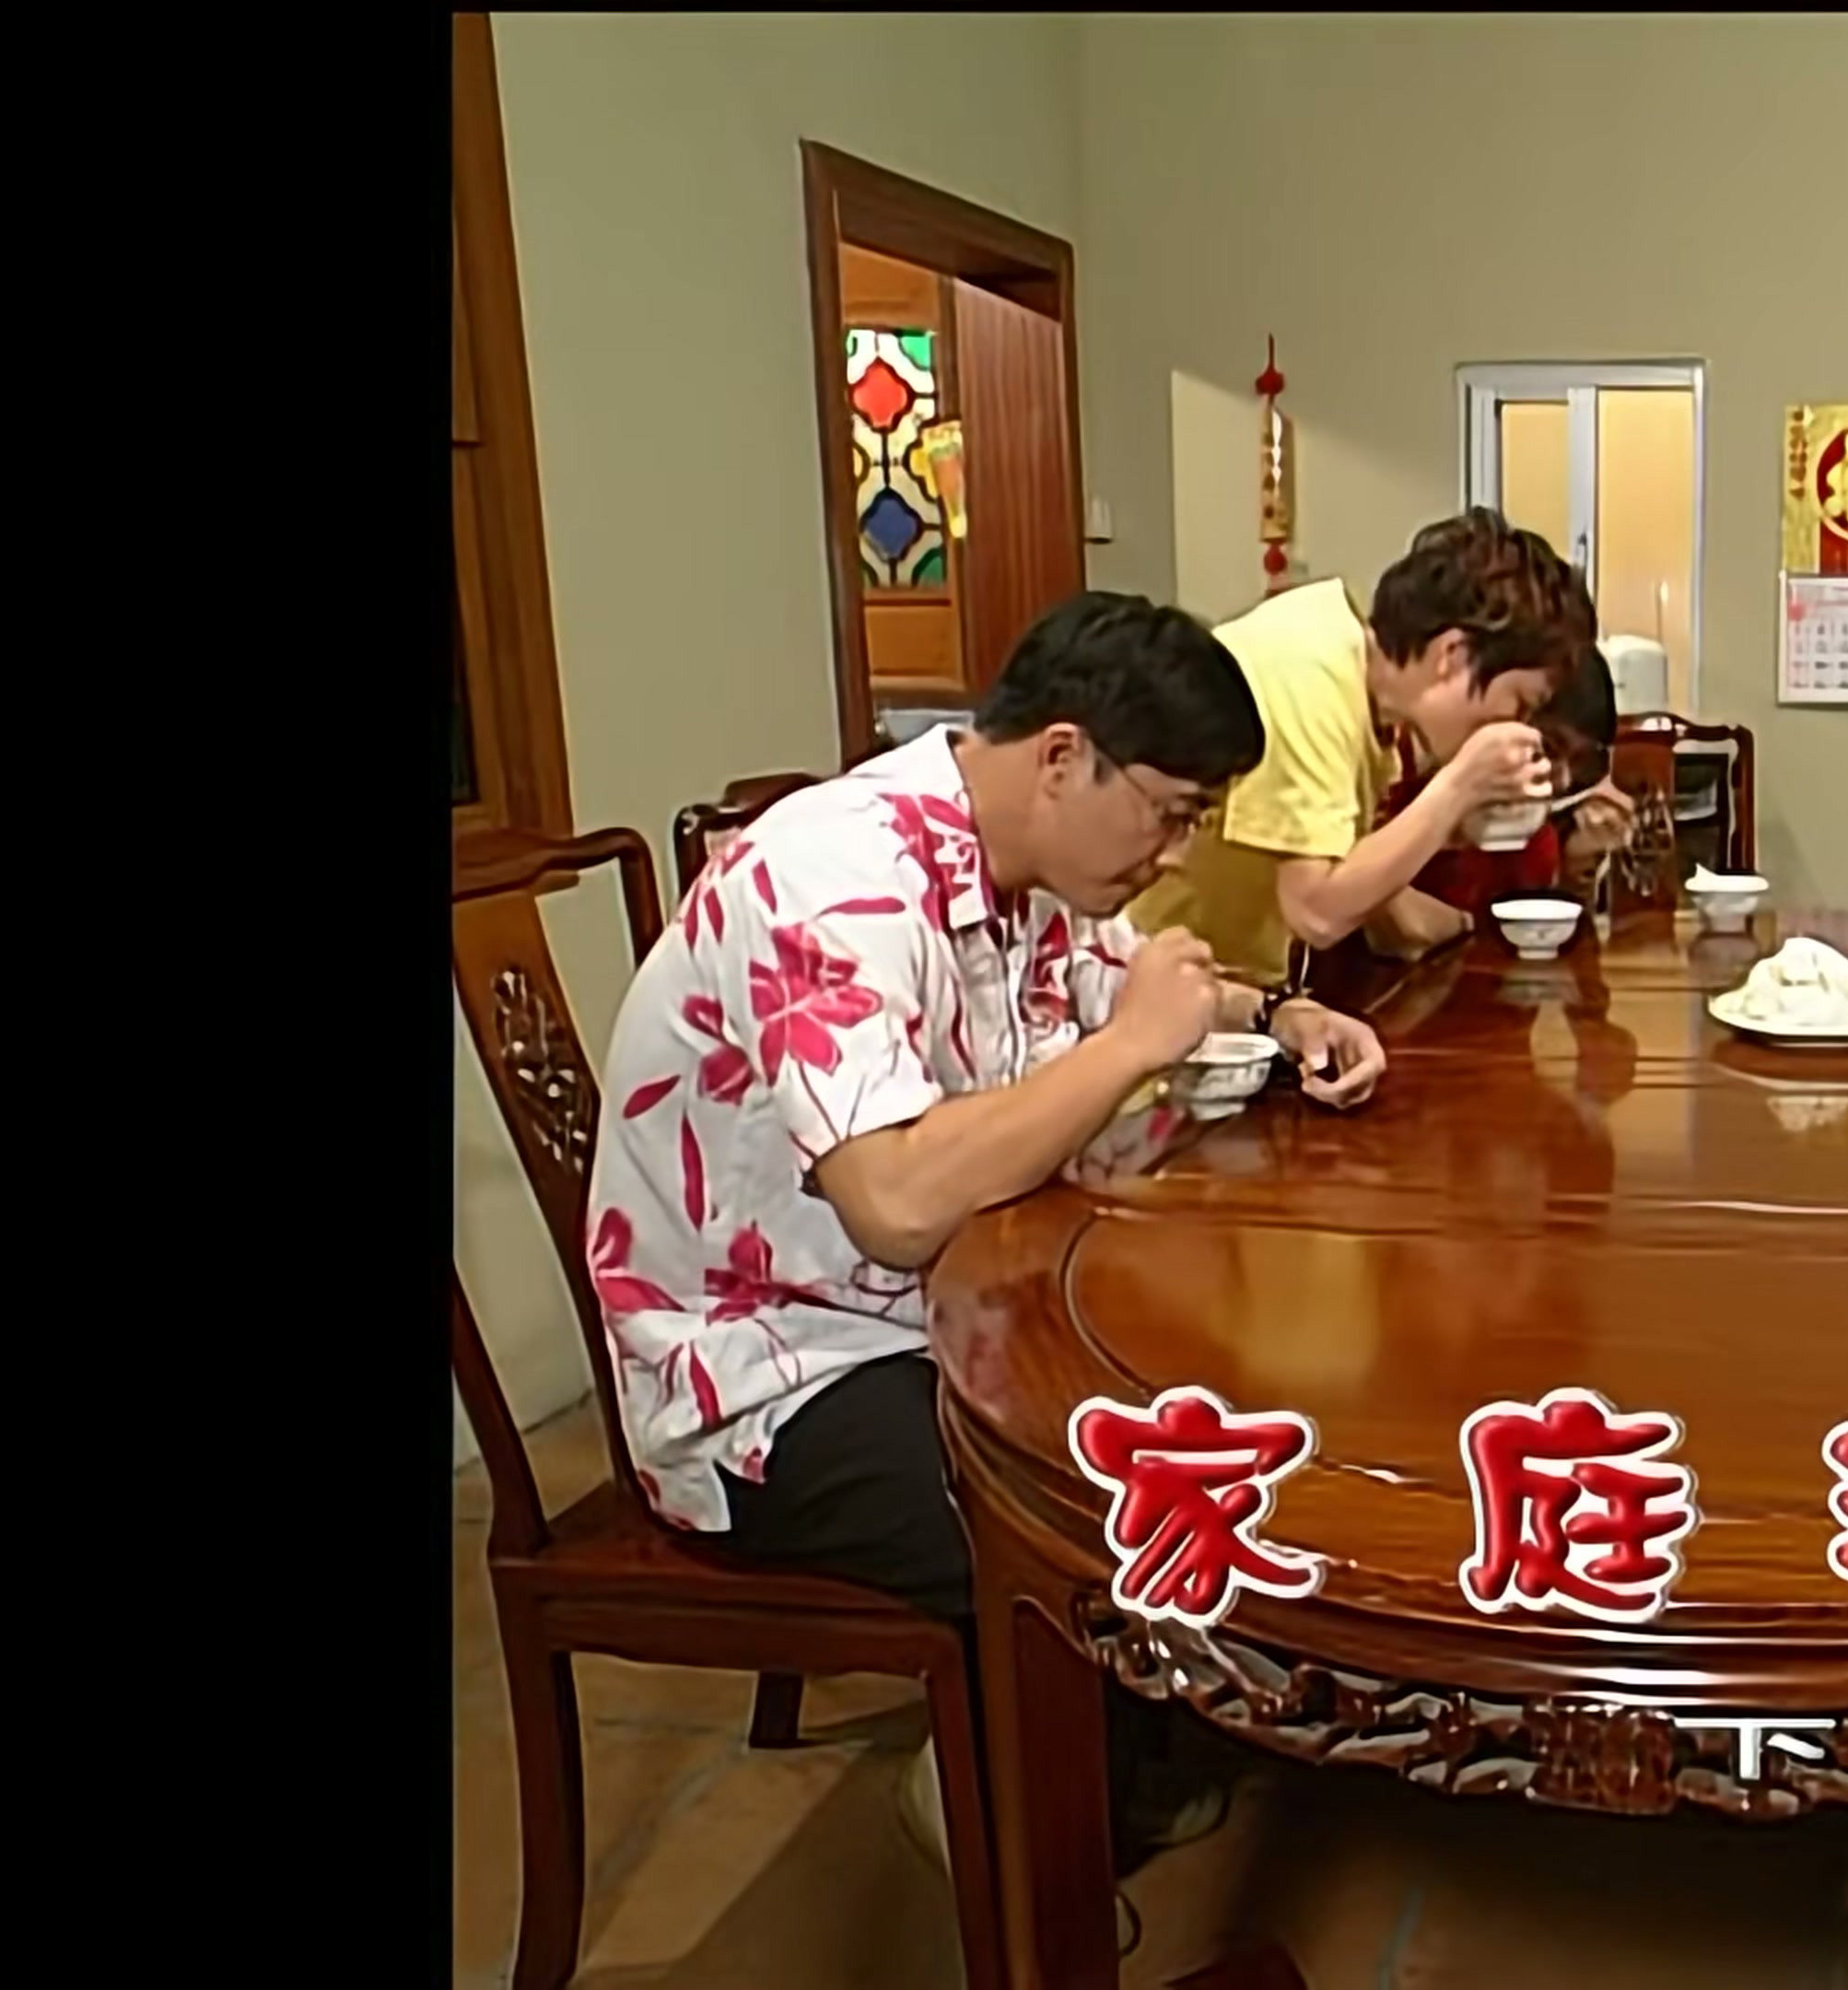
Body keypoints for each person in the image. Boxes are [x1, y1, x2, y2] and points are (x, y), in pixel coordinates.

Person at [580, 591, 1390, 1901]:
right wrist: (1132, 1048)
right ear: (1064, 756)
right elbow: (896, 1201)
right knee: (1067, 1521)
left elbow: (1140, 979)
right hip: (766, 1366)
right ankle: (1014, 1826)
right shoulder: (833, 879)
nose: (1176, 853)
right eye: (1172, 813)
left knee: (1214, 1404)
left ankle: (1122, 1751)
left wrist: (1277, 1016)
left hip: (941, 1312)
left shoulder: (1031, 864)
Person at [1128, 508, 1597, 979]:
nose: (1516, 723)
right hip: (1135, 980)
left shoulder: (1371, 700)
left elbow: (1372, 902)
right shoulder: (1308, 674)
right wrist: (1461, 784)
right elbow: (1317, 911)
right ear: (1452, 655)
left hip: (1223, 985)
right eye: (1520, 702)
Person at [1399, 642, 1639, 913]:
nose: (1562, 780)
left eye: (1580, 764)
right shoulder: (1404, 771)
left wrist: (1575, 871)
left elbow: (1531, 925)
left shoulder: (1533, 834)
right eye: (1550, 747)